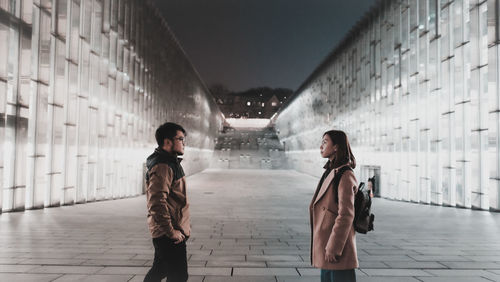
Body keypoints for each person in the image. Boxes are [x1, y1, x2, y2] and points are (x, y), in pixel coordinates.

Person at [144, 122, 190, 282]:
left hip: (168, 230)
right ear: (168, 141)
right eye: (181, 139)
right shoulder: (163, 165)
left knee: (159, 270)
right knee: (179, 276)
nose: (184, 143)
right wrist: (171, 232)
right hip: (168, 232)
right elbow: (156, 202)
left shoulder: (170, 162)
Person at [309, 130, 358, 282]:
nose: (320, 146)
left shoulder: (345, 175)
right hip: (326, 246)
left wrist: (333, 247)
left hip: (336, 249)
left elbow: (346, 215)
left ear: (336, 147)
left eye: (325, 142)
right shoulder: (331, 171)